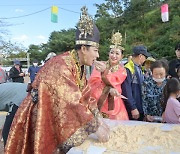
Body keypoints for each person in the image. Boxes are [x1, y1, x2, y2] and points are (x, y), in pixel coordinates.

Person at [5, 7, 109, 154]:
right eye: (95, 50)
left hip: (48, 114)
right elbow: (71, 102)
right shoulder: (61, 66)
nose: (97, 55)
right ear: (84, 49)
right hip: (39, 116)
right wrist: (96, 126)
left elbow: (86, 96)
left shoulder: (77, 66)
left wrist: (99, 119)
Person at [88, 32, 129, 120]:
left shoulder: (123, 70)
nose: (114, 56)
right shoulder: (100, 64)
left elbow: (114, 80)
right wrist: (109, 88)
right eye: (112, 52)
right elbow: (93, 81)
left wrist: (104, 72)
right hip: (97, 101)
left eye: (117, 53)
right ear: (108, 53)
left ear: (122, 56)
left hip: (114, 103)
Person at [122, 45, 150, 121]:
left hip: (139, 107)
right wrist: (133, 107)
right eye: (145, 57)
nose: (145, 59)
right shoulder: (129, 68)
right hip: (133, 109)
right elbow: (126, 91)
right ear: (140, 56)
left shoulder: (139, 68)